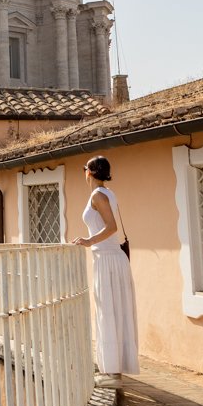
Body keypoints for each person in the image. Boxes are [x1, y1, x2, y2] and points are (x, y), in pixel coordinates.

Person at [69, 155, 138, 389]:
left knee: (107, 311)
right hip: (110, 259)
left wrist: (88, 241)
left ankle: (111, 373)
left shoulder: (98, 195)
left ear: (89, 172)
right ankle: (112, 370)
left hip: (108, 259)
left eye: (84, 169)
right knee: (112, 311)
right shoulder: (107, 193)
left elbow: (112, 227)